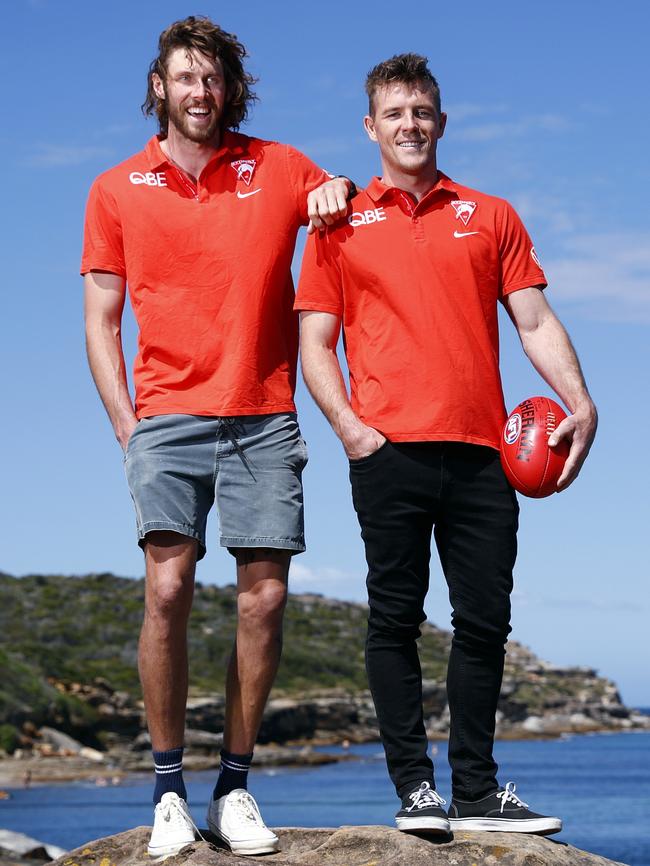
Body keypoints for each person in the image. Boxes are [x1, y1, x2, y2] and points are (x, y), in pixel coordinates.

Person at [296, 53, 597, 836]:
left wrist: (580, 401)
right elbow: (316, 343)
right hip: (387, 450)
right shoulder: (337, 224)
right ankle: (415, 791)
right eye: (394, 113)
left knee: (485, 622)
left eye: (422, 111)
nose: (410, 125)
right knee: (395, 619)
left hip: (483, 452)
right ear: (372, 126)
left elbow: (532, 320)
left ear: (442, 120)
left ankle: (476, 790)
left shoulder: (491, 214)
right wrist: (351, 431)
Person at [81, 16, 353, 859]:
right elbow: (100, 320)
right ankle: (169, 791)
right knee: (167, 590)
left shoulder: (276, 165)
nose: (202, 93)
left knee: (264, 599)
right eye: (186, 78)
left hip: (265, 412)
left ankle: (235, 786)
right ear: (159, 87)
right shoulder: (117, 186)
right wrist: (128, 423)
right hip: (166, 415)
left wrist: (337, 186)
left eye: (214, 79)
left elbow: (337, 197)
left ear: (230, 87)